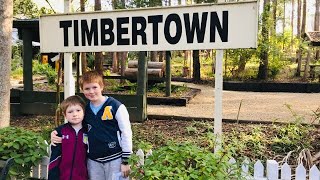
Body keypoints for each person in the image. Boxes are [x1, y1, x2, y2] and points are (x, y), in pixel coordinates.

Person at [51, 70, 132, 180]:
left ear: (102, 86)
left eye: (94, 87)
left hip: (115, 159)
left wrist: (125, 160)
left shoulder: (116, 106)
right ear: (82, 90)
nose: (91, 91)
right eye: (87, 88)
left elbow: (126, 133)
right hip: (94, 161)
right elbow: (73, 126)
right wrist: (56, 133)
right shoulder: (85, 110)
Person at [48, 95, 88, 180]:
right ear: (65, 115)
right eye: (70, 112)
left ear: (84, 111)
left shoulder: (89, 131)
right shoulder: (60, 132)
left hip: (83, 176)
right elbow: (54, 158)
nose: (75, 114)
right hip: (63, 176)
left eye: (78, 110)